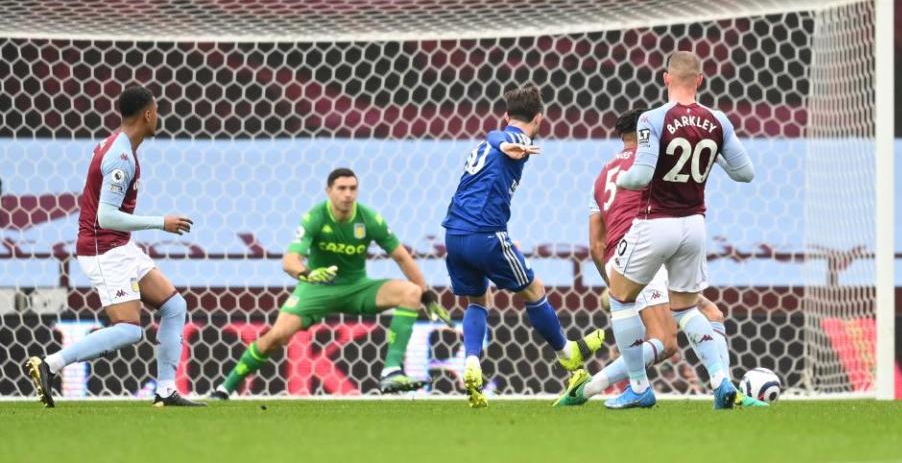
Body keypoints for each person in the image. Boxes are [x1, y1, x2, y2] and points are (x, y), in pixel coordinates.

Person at [24, 85, 202, 407]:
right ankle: (50, 365)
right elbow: (106, 217)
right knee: (130, 329)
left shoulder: (120, 147)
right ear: (148, 113)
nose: (158, 116)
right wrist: (162, 222)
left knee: (174, 307)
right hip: (102, 249)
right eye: (156, 110)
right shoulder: (120, 157)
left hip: (119, 245)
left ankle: (165, 391)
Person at [210, 167, 450, 398]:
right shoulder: (315, 217)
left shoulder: (369, 218)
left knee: (410, 292)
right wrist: (307, 274)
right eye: (342, 188)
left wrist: (426, 295)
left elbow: (401, 257)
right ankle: (226, 387)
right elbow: (289, 260)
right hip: (317, 288)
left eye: (353, 188)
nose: (348, 194)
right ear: (329, 191)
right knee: (277, 337)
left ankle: (391, 371)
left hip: (356, 288)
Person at [554, 108, 732, 407]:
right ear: (649, 133)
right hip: (644, 248)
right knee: (666, 340)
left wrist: (615, 284)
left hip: (618, 257)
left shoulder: (601, 176)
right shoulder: (651, 161)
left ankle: (726, 387)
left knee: (709, 314)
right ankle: (589, 389)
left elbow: (596, 244)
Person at [442, 85, 605, 408]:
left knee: (478, 299)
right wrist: (508, 140)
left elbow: (493, 144)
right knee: (534, 290)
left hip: (454, 234)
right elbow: (501, 140)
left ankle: (471, 361)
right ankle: (567, 355)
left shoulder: (485, 146)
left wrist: (501, 139)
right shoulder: (511, 141)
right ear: (540, 118)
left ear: (506, 115)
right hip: (485, 233)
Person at [609, 51, 755, 410]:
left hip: (656, 221)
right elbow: (745, 173)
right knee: (687, 309)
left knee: (621, 296)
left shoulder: (653, 118)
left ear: (665, 78)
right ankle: (720, 379)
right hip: (695, 226)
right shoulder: (718, 121)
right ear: (701, 80)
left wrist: (623, 179)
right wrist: (714, 154)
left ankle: (640, 387)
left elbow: (641, 175)